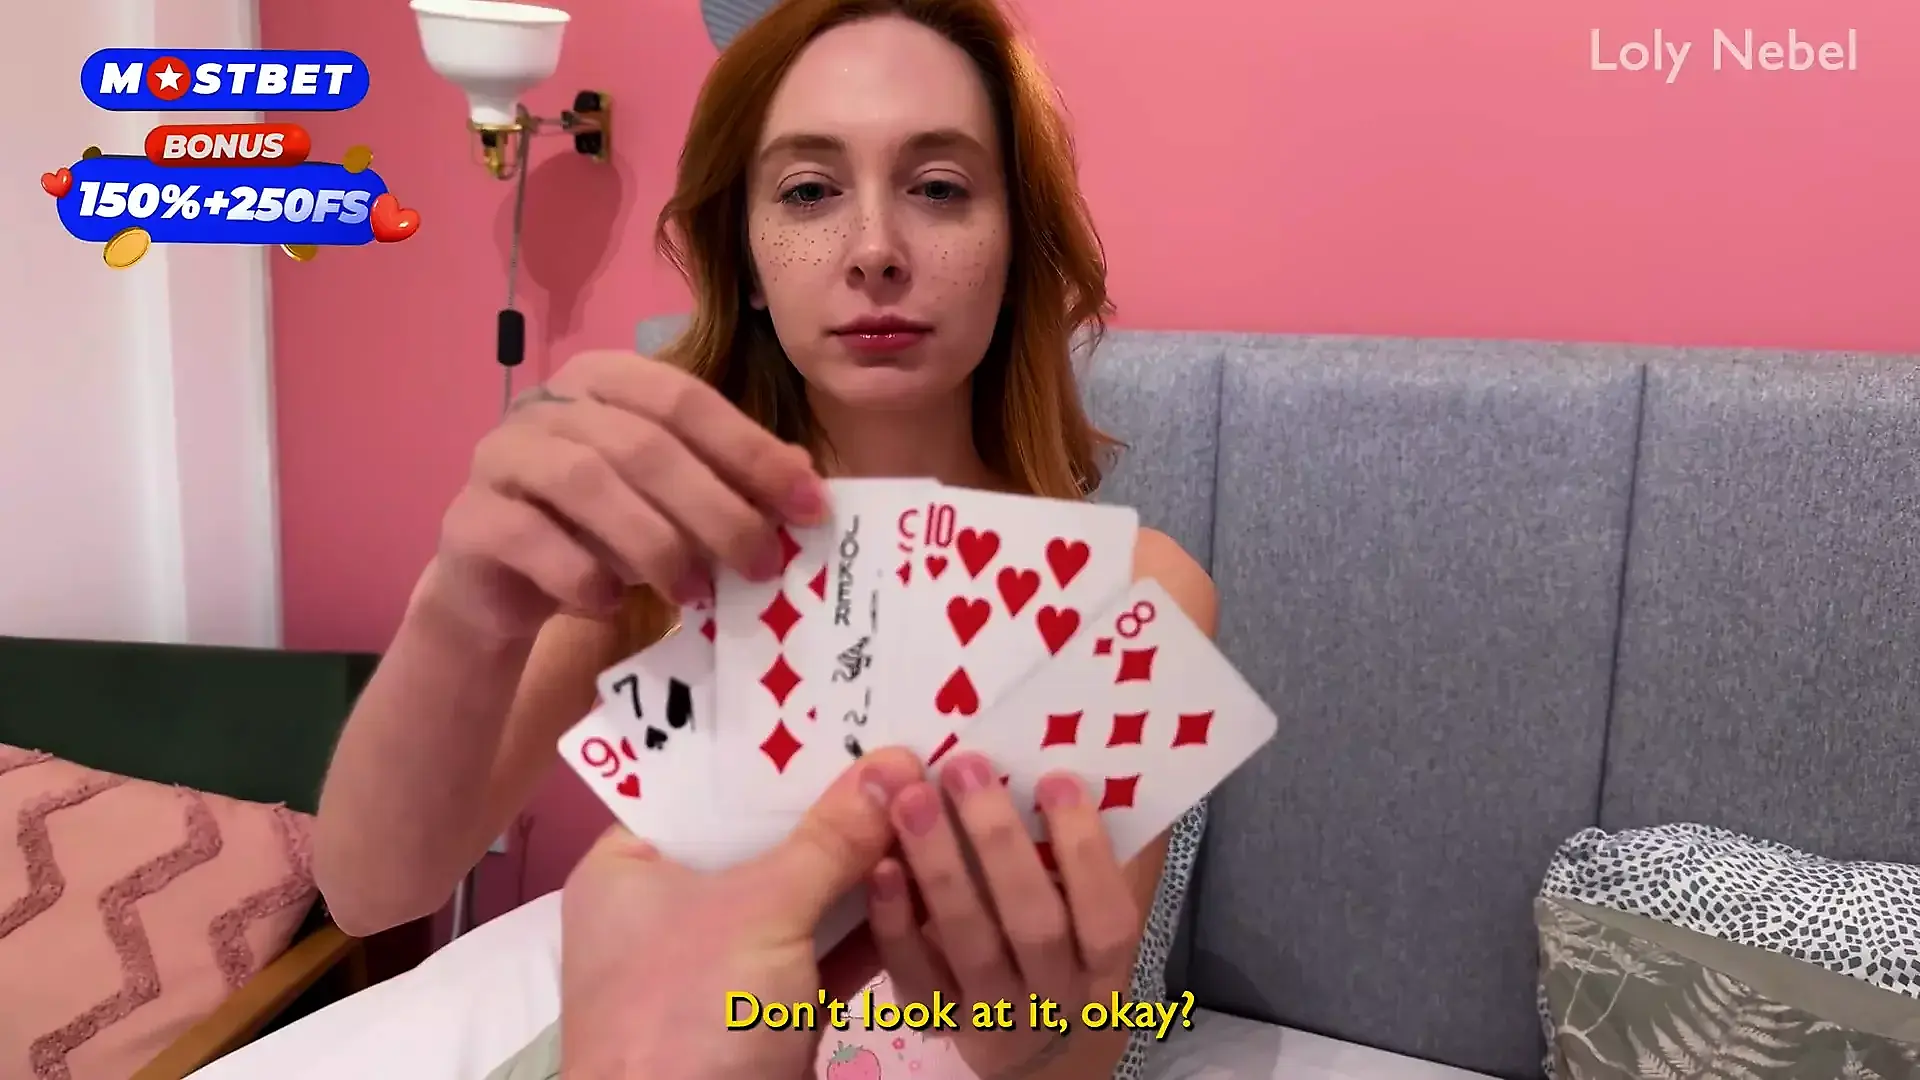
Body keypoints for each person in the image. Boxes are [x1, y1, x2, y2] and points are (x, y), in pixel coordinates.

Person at [313, 0, 1220, 1076]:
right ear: (745, 259)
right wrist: (458, 611)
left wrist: (1030, 1046)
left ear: (1016, 247)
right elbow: (371, 891)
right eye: (808, 191)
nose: (874, 250)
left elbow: (1083, 1044)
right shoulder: (659, 545)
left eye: (939, 187)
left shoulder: (1133, 595)